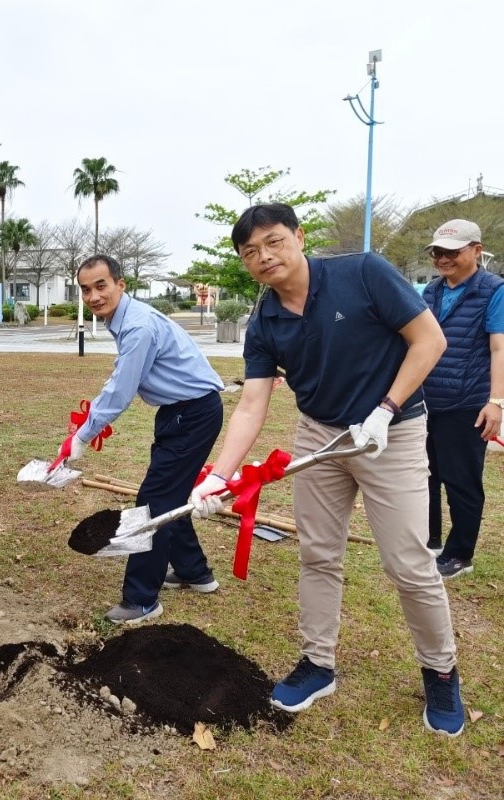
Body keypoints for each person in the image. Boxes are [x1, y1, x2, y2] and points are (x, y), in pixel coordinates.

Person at [190, 203, 464, 736]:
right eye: (251, 252)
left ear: (298, 236)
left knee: (408, 563)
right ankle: (318, 662)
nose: (265, 256)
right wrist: (218, 476)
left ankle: (441, 670)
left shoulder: (363, 273)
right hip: (321, 435)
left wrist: (385, 410)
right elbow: (250, 405)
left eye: (273, 242)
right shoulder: (264, 321)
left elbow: (430, 341)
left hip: (395, 429)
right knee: (318, 554)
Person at [59, 255, 225, 624]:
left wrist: (83, 436)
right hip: (180, 412)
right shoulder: (128, 320)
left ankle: (141, 599)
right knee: (168, 495)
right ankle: (193, 572)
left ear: (120, 284)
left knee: (154, 503)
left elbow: (120, 390)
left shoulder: (137, 327)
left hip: (193, 412)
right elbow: (122, 382)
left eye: (101, 286)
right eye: (86, 289)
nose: (94, 296)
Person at [421, 219, 504, 578]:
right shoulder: (430, 291)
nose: (444, 259)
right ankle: (429, 541)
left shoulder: (493, 290)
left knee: (461, 480)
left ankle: (460, 553)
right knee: (425, 474)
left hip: (467, 402)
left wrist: (496, 402)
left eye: (452, 252)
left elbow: (499, 348)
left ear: (476, 250)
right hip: (426, 400)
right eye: (438, 252)